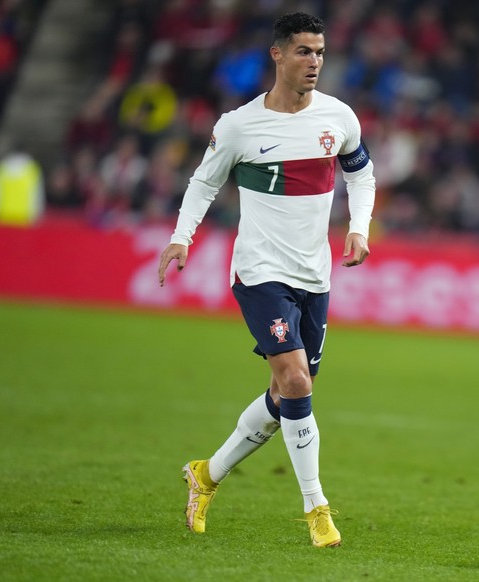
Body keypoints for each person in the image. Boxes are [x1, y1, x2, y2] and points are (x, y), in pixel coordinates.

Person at [157, 12, 375, 548]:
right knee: (297, 381)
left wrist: (359, 228)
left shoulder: (339, 118)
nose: (315, 62)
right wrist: (182, 236)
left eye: (320, 52)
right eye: (304, 51)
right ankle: (316, 508)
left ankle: (206, 474)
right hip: (258, 272)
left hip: (313, 275)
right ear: (277, 55)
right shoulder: (239, 125)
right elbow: (203, 182)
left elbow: (361, 173)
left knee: (287, 395)